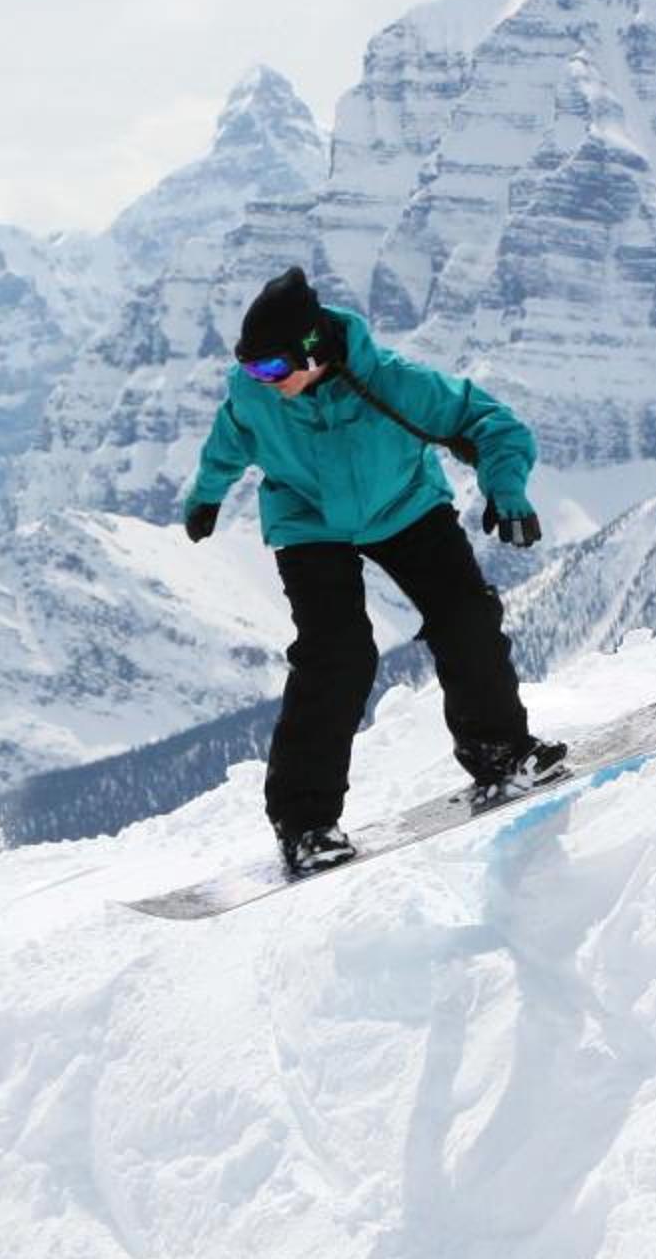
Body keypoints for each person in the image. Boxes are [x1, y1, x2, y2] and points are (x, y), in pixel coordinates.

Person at [182, 266, 566, 876]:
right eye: (252, 370)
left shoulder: (391, 381)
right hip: (308, 520)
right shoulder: (256, 395)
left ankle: (500, 751)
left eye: (273, 368)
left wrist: (506, 487)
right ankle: (305, 824)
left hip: (405, 505)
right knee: (337, 654)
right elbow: (227, 445)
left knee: (466, 617)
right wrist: (205, 496)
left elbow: (490, 422)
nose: (264, 382)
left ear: (313, 349)